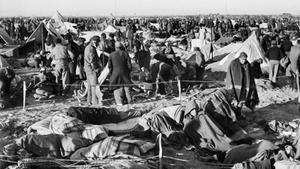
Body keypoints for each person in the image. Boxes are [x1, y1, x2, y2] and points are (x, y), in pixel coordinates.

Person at [84, 36, 101, 106]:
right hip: (91, 70)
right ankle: (94, 102)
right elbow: (92, 60)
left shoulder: (88, 47)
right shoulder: (91, 48)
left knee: (90, 87)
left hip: (87, 69)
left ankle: (89, 101)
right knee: (94, 87)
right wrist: (96, 69)